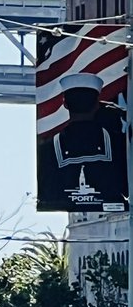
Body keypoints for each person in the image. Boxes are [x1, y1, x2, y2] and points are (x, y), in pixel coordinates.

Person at [36, 71, 127, 212]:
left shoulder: (47, 149)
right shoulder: (121, 144)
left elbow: (48, 193)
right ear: (97, 104)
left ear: (65, 104)